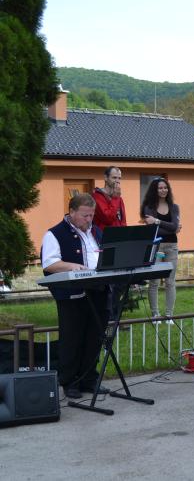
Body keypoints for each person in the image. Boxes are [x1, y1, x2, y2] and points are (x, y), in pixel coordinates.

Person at [41, 194, 109, 399]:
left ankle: (89, 379)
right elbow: (49, 263)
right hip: (71, 293)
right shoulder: (54, 234)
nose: (89, 220)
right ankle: (70, 381)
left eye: (91, 215)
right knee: (72, 338)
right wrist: (72, 266)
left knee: (95, 336)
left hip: (98, 290)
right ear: (71, 212)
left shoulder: (96, 232)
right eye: (84, 215)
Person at [141, 177, 181, 324]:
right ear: (154, 190)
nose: (163, 190)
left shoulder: (174, 207)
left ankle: (169, 315)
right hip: (156, 246)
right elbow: (156, 230)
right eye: (160, 188)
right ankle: (155, 314)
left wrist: (157, 221)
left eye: (165, 187)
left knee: (170, 282)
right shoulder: (148, 207)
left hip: (172, 246)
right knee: (154, 282)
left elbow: (174, 227)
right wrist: (171, 227)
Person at [92, 166, 126, 231]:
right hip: (104, 235)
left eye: (119, 178)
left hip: (119, 235)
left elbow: (123, 220)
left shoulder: (118, 197)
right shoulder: (97, 196)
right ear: (106, 178)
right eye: (114, 178)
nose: (117, 181)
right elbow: (108, 218)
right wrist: (115, 198)